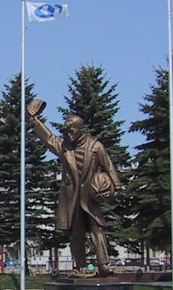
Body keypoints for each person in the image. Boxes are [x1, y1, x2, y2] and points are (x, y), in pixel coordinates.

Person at [27, 101, 122, 275]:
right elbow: (48, 138)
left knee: (97, 229)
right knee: (77, 233)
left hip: (90, 196)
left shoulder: (95, 147)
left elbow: (108, 166)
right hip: (72, 197)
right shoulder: (65, 147)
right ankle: (78, 266)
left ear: (81, 130)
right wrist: (33, 119)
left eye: (71, 130)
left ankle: (104, 265)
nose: (67, 133)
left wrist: (116, 186)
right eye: (66, 130)